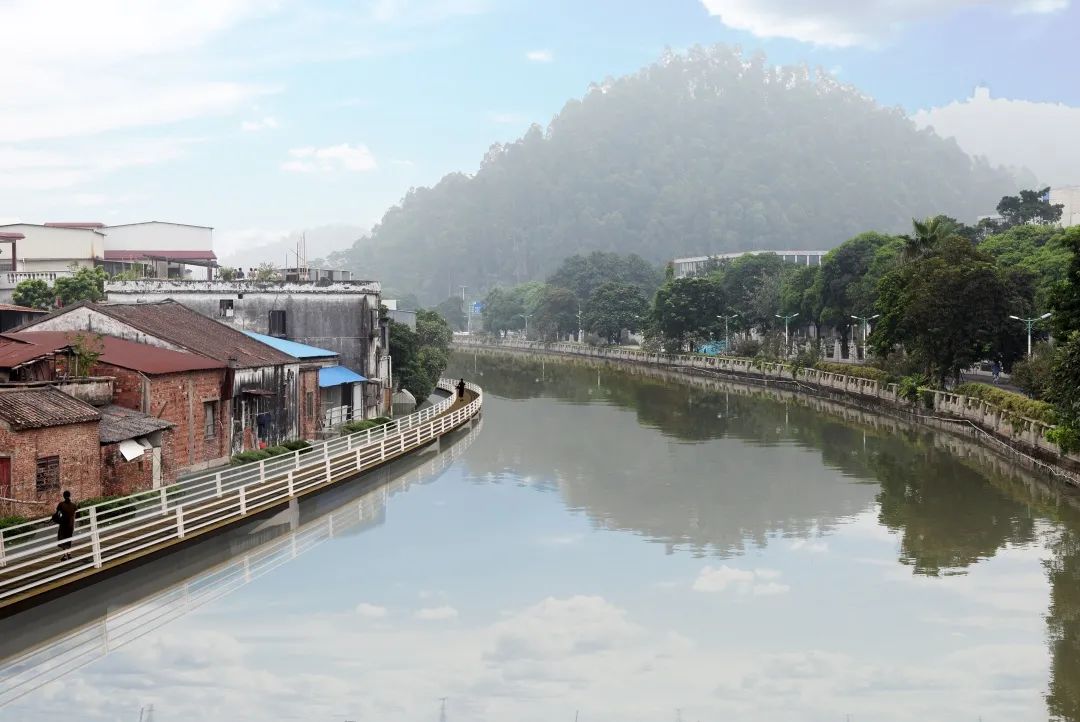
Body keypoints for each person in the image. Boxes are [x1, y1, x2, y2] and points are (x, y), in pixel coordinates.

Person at [54, 490, 77, 561]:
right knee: (68, 540)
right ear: (69, 495)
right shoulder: (73, 505)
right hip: (70, 525)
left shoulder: (61, 505)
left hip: (63, 525)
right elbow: (75, 514)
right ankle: (69, 554)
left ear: (63, 496)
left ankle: (65, 555)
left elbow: (57, 513)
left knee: (62, 540)